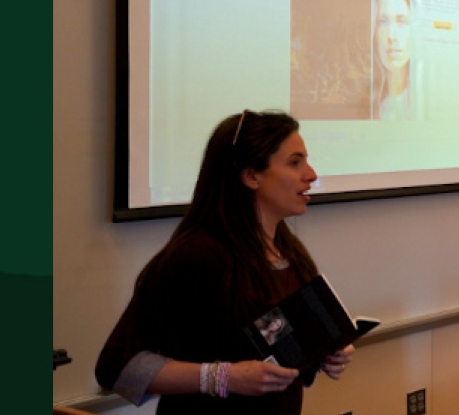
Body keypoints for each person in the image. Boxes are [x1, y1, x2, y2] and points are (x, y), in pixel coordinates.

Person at [96, 110, 355, 414]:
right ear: (250, 176)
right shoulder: (196, 256)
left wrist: (322, 352)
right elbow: (116, 367)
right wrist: (222, 378)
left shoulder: (291, 253)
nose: (311, 175)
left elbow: (271, 344)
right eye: (294, 162)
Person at [372, 0, 415, 120]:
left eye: (401, 21)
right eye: (383, 22)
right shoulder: (370, 105)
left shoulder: (424, 103)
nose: (391, 36)